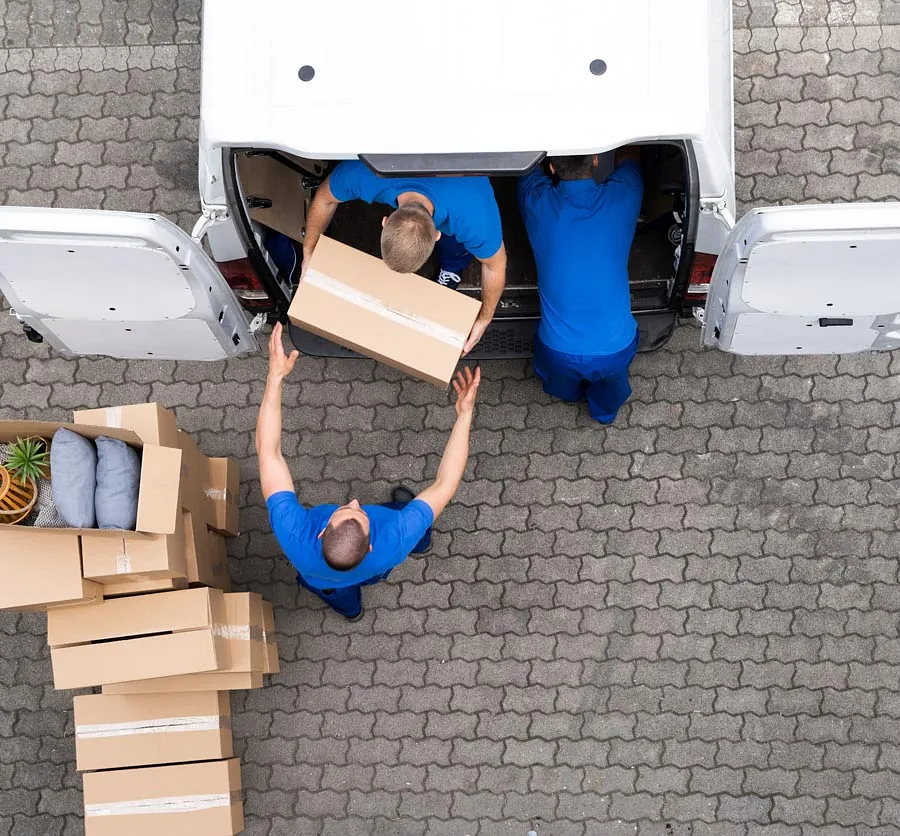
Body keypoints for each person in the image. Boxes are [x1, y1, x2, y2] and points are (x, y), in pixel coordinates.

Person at [256, 322, 481, 621]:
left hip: (319, 579)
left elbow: (268, 452)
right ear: (370, 545)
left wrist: (275, 378)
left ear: (322, 532)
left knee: (338, 594)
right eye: (360, 513)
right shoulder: (395, 540)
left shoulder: (294, 535)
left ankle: (351, 611)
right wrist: (464, 416)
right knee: (408, 511)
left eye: (346, 510)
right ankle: (422, 541)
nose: (355, 502)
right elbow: (445, 483)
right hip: (379, 565)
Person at [302, 160, 507, 354]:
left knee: (458, 243)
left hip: (461, 181)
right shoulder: (365, 173)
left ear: (385, 221)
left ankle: (452, 267)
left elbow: (495, 265)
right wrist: (308, 252)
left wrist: (485, 317)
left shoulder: (475, 216)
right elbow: (324, 198)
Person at [518, 148, 644, 424]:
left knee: (559, 378)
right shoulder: (625, 194)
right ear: (596, 161)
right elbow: (631, 154)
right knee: (611, 386)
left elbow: (524, 165)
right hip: (616, 347)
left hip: (557, 351)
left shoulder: (535, 201)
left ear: (551, 167)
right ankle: (604, 412)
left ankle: (567, 393)